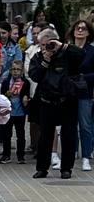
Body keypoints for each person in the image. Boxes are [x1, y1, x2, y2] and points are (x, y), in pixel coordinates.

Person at [29, 26, 83, 179]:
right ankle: (42, 168)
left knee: (68, 135)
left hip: (67, 100)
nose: (46, 47)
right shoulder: (39, 57)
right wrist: (45, 61)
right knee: (45, 135)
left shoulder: (67, 53)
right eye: (42, 45)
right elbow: (35, 76)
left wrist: (63, 46)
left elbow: (82, 55)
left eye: (49, 43)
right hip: (47, 100)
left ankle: (66, 168)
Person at [71, 18, 94, 171]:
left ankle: (86, 156)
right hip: (68, 92)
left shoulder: (91, 51)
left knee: (85, 126)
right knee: (69, 125)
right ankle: (70, 154)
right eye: (78, 28)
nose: (80, 31)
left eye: (83, 29)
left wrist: (83, 77)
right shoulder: (68, 48)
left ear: (88, 33)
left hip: (85, 92)